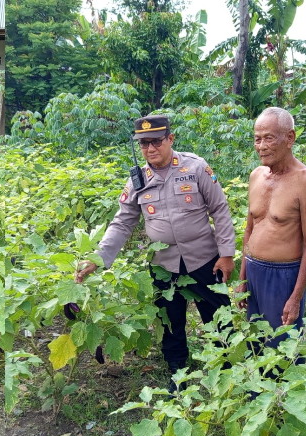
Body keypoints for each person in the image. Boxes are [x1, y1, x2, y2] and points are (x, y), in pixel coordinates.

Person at [76, 115, 236, 390]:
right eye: (144, 143)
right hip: (164, 264)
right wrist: (98, 258)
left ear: (170, 139)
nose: (150, 149)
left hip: (204, 259)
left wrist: (226, 254)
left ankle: (227, 369)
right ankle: (178, 372)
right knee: (170, 319)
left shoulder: (195, 167)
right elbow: (123, 222)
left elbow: (219, 209)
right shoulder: (138, 180)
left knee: (217, 314)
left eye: (156, 142)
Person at [237, 107, 306, 351]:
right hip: (254, 270)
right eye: (257, 139)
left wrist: (295, 297)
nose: (261, 146)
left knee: (282, 346)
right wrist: (242, 278)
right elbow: (250, 229)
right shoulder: (256, 175)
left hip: (283, 276)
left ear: (290, 138)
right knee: (256, 341)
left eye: (269, 138)